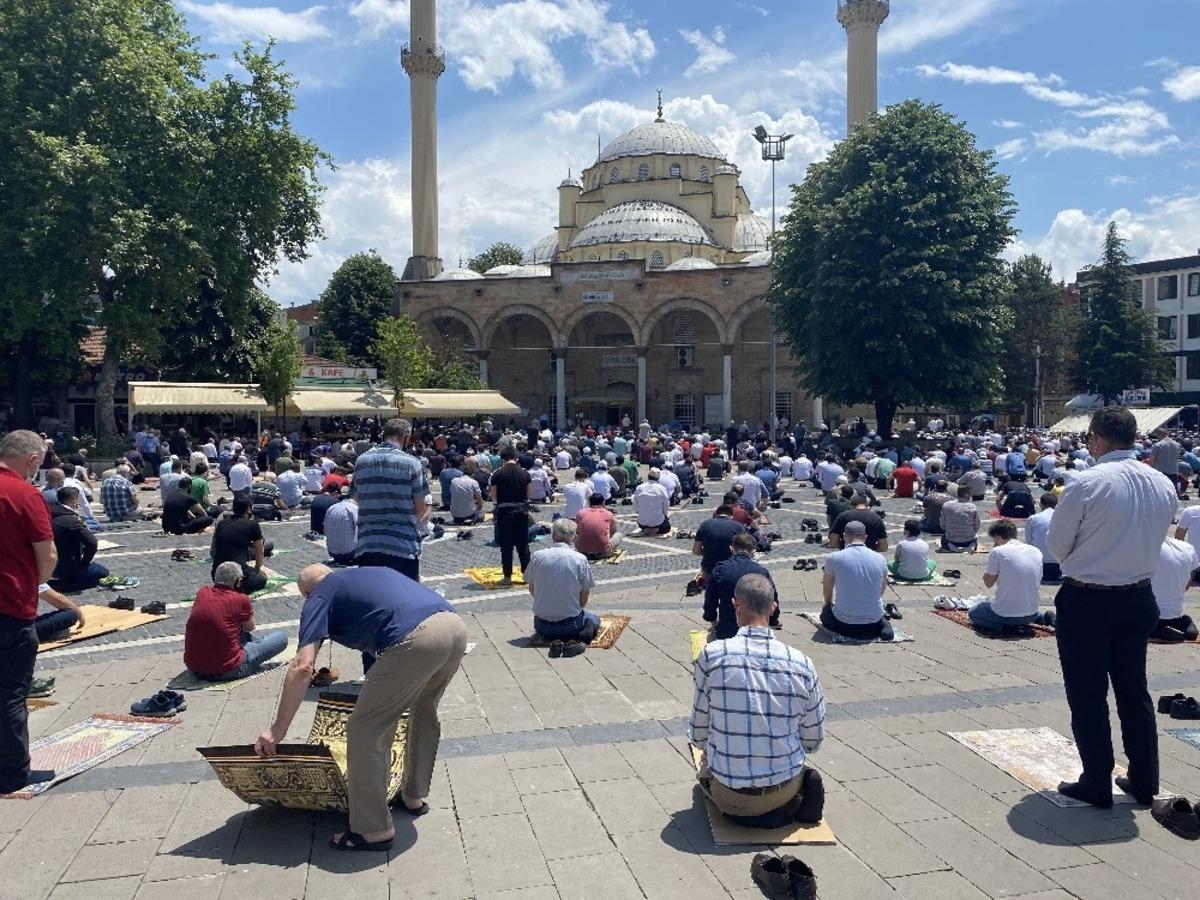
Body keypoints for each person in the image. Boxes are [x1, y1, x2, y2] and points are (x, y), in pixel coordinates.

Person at [254, 565, 467, 852]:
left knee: (365, 727)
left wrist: (277, 729)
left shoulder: (319, 597)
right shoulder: (359, 576)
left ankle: (374, 829)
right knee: (423, 709)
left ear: (306, 593)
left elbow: (303, 666)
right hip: (454, 626)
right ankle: (413, 796)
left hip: (417, 640)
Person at [1046, 407, 1177, 808]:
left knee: (1087, 693)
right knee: (1133, 690)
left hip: (1089, 596)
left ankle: (1096, 780)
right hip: (1137, 595)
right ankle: (1144, 778)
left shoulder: (1087, 483)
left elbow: (1056, 545)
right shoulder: (1162, 482)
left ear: (1097, 438)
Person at [691, 573, 826, 824]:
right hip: (784, 786)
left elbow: (699, 734)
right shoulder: (802, 663)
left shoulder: (712, 655)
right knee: (790, 764)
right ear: (773, 608)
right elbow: (813, 742)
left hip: (731, 794)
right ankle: (795, 792)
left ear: (735, 605)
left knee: (704, 777)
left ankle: (753, 813)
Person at [0, 430, 57, 795]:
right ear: (32, 461)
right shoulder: (24, 494)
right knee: (9, 692)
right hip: (10, 605)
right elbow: (47, 556)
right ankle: (12, 775)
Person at [184, 562, 288, 681]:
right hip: (227, 670)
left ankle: (252, 645)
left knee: (229, 630)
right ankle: (255, 647)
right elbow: (250, 627)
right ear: (238, 581)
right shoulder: (240, 599)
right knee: (281, 637)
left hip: (195, 669)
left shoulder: (202, 593)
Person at [353, 419, 428, 581]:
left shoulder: (361, 462)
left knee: (373, 598)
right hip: (402, 545)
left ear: (383, 435)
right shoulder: (412, 463)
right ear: (406, 437)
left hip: (368, 543)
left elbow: (356, 498)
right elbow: (420, 508)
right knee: (405, 599)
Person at [524, 519, 599, 643]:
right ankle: (581, 635)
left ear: (553, 536)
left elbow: (532, 588)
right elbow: (584, 595)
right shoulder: (580, 559)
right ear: (574, 537)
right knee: (594, 618)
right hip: (570, 626)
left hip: (541, 626)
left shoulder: (538, 556)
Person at [970, 520, 1053, 632]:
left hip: (1003, 614)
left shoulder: (998, 551)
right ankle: (1043, 618)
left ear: (997, 536)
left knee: (975, 612)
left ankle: (1005, 627)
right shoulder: (1036, 551)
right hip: (1030, 614)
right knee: (1025, 610)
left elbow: (988, 583)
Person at [821, 520, 893, 640]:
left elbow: (827, 590)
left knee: (825, 614)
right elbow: (881, 589)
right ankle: (884, 627)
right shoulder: (880, 558)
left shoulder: (833, 558)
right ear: (865, 537)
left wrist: (827, 605)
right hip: (873, 620)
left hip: (845, 623)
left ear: (844, 537)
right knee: (876, 614)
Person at [705, 533, 780, 639]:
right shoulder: (761, 572)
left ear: (731, 548)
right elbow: (772, 597)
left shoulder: (719, 570)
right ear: (753, 551)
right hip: (755, 627)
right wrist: (773, 620)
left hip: (727, 628)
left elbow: (710, 598)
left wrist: (711, 618)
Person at [47, 487, 109, 590]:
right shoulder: (72, 520)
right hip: (67, 563)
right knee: (102, 573)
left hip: (49, 562)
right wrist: (85, 562)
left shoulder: (50, 514)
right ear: (74, 499)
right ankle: (70, 584)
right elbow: (92, 543)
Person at [490, 448, 532, 587]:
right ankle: (527, 576)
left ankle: (507, 577)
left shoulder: (497, 474)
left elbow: (494, 497)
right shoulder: (525, 473)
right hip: (521, 511)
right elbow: (529, 494)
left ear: (502, 458)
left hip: (504, 512)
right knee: (523, 545)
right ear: (515, 457)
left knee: (506, 546)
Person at [209, 499, 272, 594]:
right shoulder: (253, 524)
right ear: (248, 510)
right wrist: (257, 570)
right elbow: (260, 551)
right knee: (263, 578)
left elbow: (214, 551)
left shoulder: (222, 523)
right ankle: (238, 587)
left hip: (217, 574)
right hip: (237, 575)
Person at [1149, 536, 1200, 642]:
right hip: (1175, 613)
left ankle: (1161, 633)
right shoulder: (1188, 547)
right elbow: (1187, 585)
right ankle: (1187, 631)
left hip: (1151, 613)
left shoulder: (1145, 546)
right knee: (1191, 633)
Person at [693, 505, 746, 579]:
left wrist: (708, 551)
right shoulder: (738, 527)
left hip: (710, 568)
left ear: (716, 514)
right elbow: (743, 551)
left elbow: (696, 551)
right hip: (731, 568)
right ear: (731, 516)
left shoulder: (704, 525)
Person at [1025, 493, 1061, 583]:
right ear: (1056, 505)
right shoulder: (1064, 518)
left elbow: (1028, 541)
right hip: (1060, 565)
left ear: (1040, 504)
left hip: (1039, 564)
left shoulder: (1033, 518)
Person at [939, 484, 981, 552]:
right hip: (968, 540)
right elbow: (977, 525)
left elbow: (942, 525)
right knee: (974, 539)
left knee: (944, 539)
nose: (971, 496)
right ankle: (971, 546)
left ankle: (951, 547)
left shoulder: (946, 505)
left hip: (951, 539)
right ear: (966, 495)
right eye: (970, 494)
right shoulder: (973, 507)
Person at [633, 469, 671, 535]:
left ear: (648, 476)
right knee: (667, 527)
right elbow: (666, 505)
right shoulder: (661, 488)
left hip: (642, 522)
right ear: (658, 478)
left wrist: (639, 512)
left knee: (642, 521)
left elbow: (635, 504)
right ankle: (655, 529)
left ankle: (647, 529)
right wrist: (665, 515)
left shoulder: (639, 488)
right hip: (658, 522)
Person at [324, 496, 359, 566]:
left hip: (332, 552)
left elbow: (325, 531)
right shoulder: (354, 509)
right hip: (349, 553)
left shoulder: (331, 508)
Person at [449, 460, 484, 525]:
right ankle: (472, 519)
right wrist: (479, 508)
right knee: (481, 514)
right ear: (472, 474)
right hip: (469, 513)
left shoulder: (453, 481)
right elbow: (480, 501)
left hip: (455, 514)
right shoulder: (473, 482)